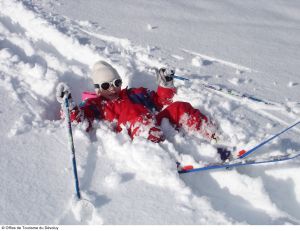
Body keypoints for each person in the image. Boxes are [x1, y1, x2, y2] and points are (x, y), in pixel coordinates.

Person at [56, 61, 218, 144]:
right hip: (134, 135)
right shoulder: (97, 105)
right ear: (98, 89)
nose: (113, 88)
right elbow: (80, 121)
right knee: (134, 113)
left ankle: (211, 134)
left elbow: (160, 102)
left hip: (155, 124)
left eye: (116, 82)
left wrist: (165, 84)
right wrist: (68, 105)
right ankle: (157, 149)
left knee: (180, 107)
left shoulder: (135, 93)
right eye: (106, 85)